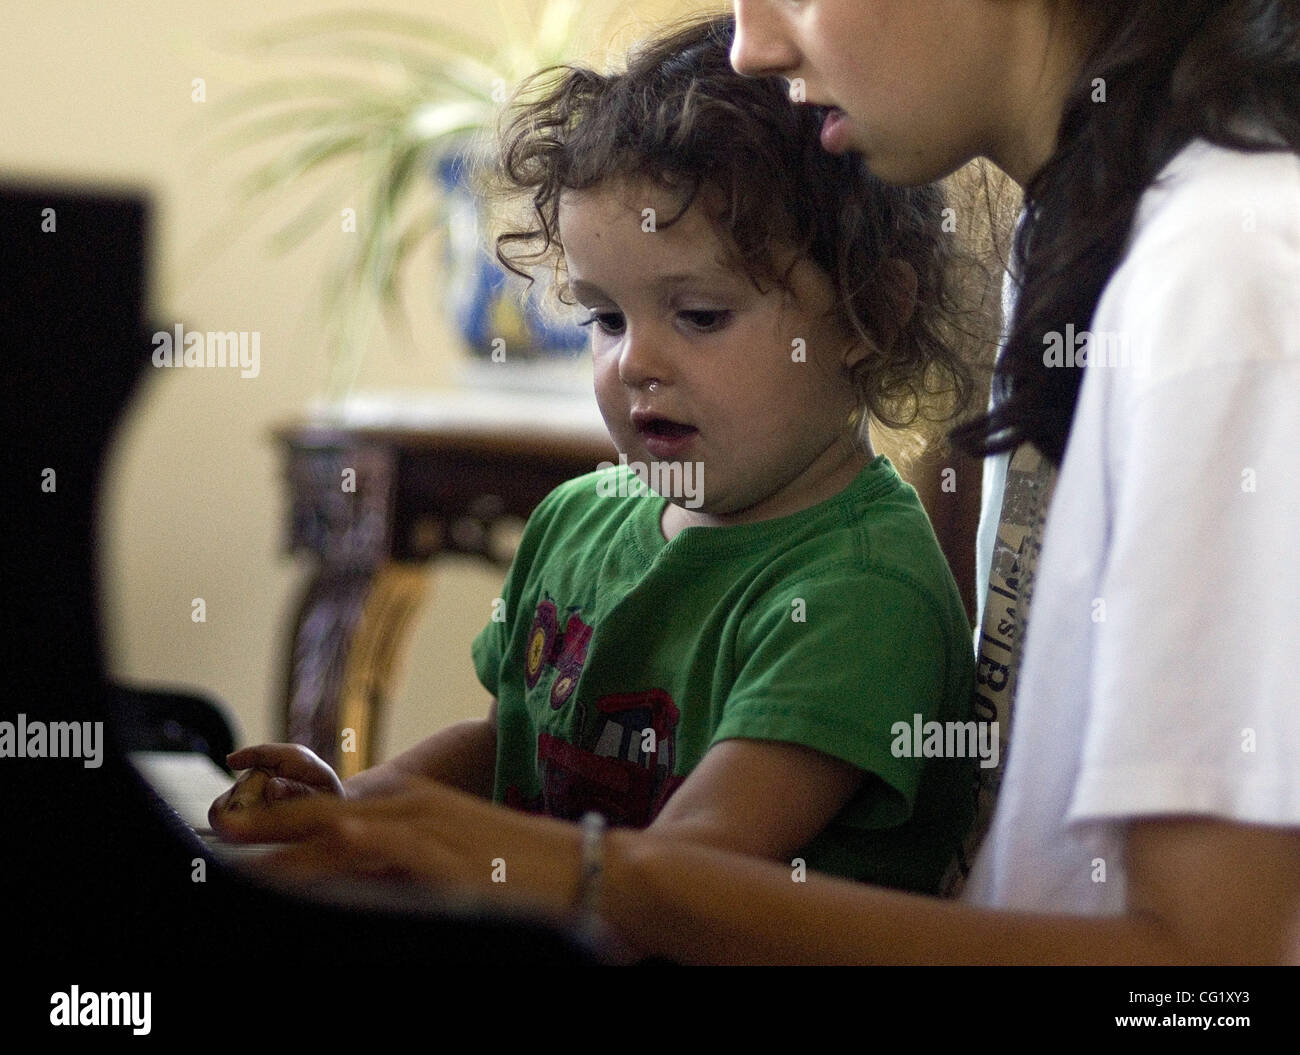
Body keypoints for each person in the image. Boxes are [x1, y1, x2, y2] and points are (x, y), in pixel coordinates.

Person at [228, 0, 1300, 965]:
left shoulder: (1223, 271)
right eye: (605, 316)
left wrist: (552, 869)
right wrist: (377, 813)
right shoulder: (1083, 234)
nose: (755, 44)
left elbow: (1209, 972)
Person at [211, 13, 991, 894]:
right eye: (605, 317)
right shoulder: (578, 517)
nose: (635, 362)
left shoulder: (859, 592)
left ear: (870, 316)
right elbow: (507, 744)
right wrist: (357, 807)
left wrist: (412, 841)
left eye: (699, 315)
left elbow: (695, 866)